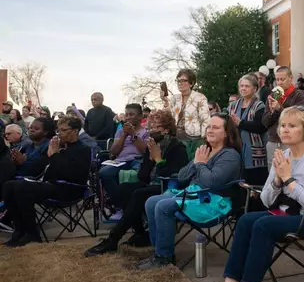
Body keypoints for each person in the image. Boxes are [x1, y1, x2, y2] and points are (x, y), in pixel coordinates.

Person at [198, 106, 304, 282]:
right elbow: (267, 200)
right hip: (282, 212)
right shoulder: (283, 155)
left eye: (292, 125)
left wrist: (288, 179)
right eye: (282, 125)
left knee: (263, 225)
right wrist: (278, 181)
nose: (285, 130)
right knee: (245, 220)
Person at [139, 114, 242, 269]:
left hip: (213, 201)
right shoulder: (204, 150)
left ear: (226, 132)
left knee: (163, 206)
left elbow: (211, 182)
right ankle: (159, 251)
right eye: (209, 126)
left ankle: (164, 258)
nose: (210, 130)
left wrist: (200, 164)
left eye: (216, 127)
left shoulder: (230, 155)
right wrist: (196, 162)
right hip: (194, 193)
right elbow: (181, 177)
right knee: (151, 202)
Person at [84, 110, 189, 256]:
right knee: (122, 190)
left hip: (169, 188)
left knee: (139, 194)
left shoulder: (177, 147)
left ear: (166, 130)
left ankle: (113, 239)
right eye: (150, 127)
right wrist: (150, 159)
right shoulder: (152, 145)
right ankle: (141, 233)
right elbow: (142, 176)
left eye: (155, 127)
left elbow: (177, 177)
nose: (151, 131)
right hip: (151, 185)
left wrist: (159, 160)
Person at [2, 116, 92, 247]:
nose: (59, 133)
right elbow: (50, 171)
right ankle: (19, 230)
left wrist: (54, 155)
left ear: (75, 131)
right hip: (53, 185)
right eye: (58, 130)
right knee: (8, 186)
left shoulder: (83, 149)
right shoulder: (61, 146)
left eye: (63, 130)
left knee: (23, 187)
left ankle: (32, 233)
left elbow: (72, 175)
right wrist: (52, 156)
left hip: (70, 189)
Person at [99, 104, 148, 219]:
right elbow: (114, 152)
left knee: (140, 176)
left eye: (132, 114)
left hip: (138, 160)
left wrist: (133, 134)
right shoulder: (120, 131)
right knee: (104, 173)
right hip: (121, 161)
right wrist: (125, 135)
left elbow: (144, 151)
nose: (128, 117)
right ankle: (120, 207)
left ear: (140, 116)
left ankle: (138, 208)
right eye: (126, 115)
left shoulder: (146, 132)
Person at [262, 66, 304, 168]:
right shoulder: (273, 96)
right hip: (273, 141)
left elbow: (300, 118)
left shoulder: (299, 95)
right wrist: (273, 112)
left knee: (292, 173)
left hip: (292, 142)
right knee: (273, 175)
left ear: (290, 78)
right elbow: (265, 122)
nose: (279, 83)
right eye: (277, 79)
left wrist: (279, 109)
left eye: (282, 79)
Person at [229, 74, 269, 186]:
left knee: (254, 185)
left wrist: (240, 123)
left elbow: (260, 127)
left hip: (255, 154)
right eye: (241, 86)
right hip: (236, 148)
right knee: (238, 183)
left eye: (247, 86)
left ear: (254, 88)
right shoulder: (233, 106)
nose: (243, 88)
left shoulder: (259, 105)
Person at [162, 68, 210, 158]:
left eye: (183, 80)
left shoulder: (200, 97)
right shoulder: (174, 98)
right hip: (177, 138)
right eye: (178, 80)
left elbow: (206, 119)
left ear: (191, 83)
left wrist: (204, 139)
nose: (180, 83)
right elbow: (167, 116)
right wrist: (165, 102)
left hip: (195, 139)